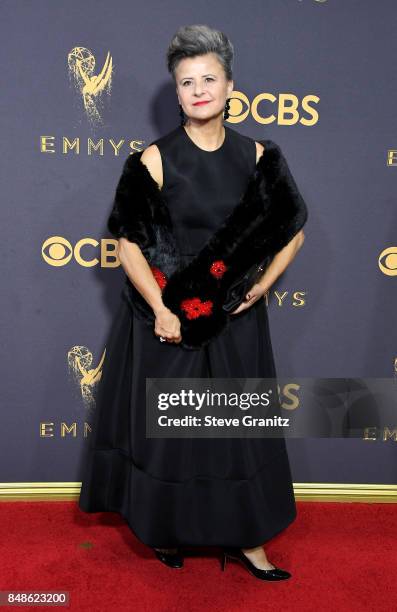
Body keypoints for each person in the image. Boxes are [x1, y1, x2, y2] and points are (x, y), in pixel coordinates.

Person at [79, 24, 307, 582]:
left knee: (237, 432)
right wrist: (161, 308)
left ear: (230, 87)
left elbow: (292, 230)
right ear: (177, 92)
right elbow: (127, 244)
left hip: (234, 322)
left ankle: (250, 541)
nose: (199, 89)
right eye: (187, 82)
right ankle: (168, 532)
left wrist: (260, 286)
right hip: (170, 320)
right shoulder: (154, 160)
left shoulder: (258, 156)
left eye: (209, 79)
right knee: (175, 434)